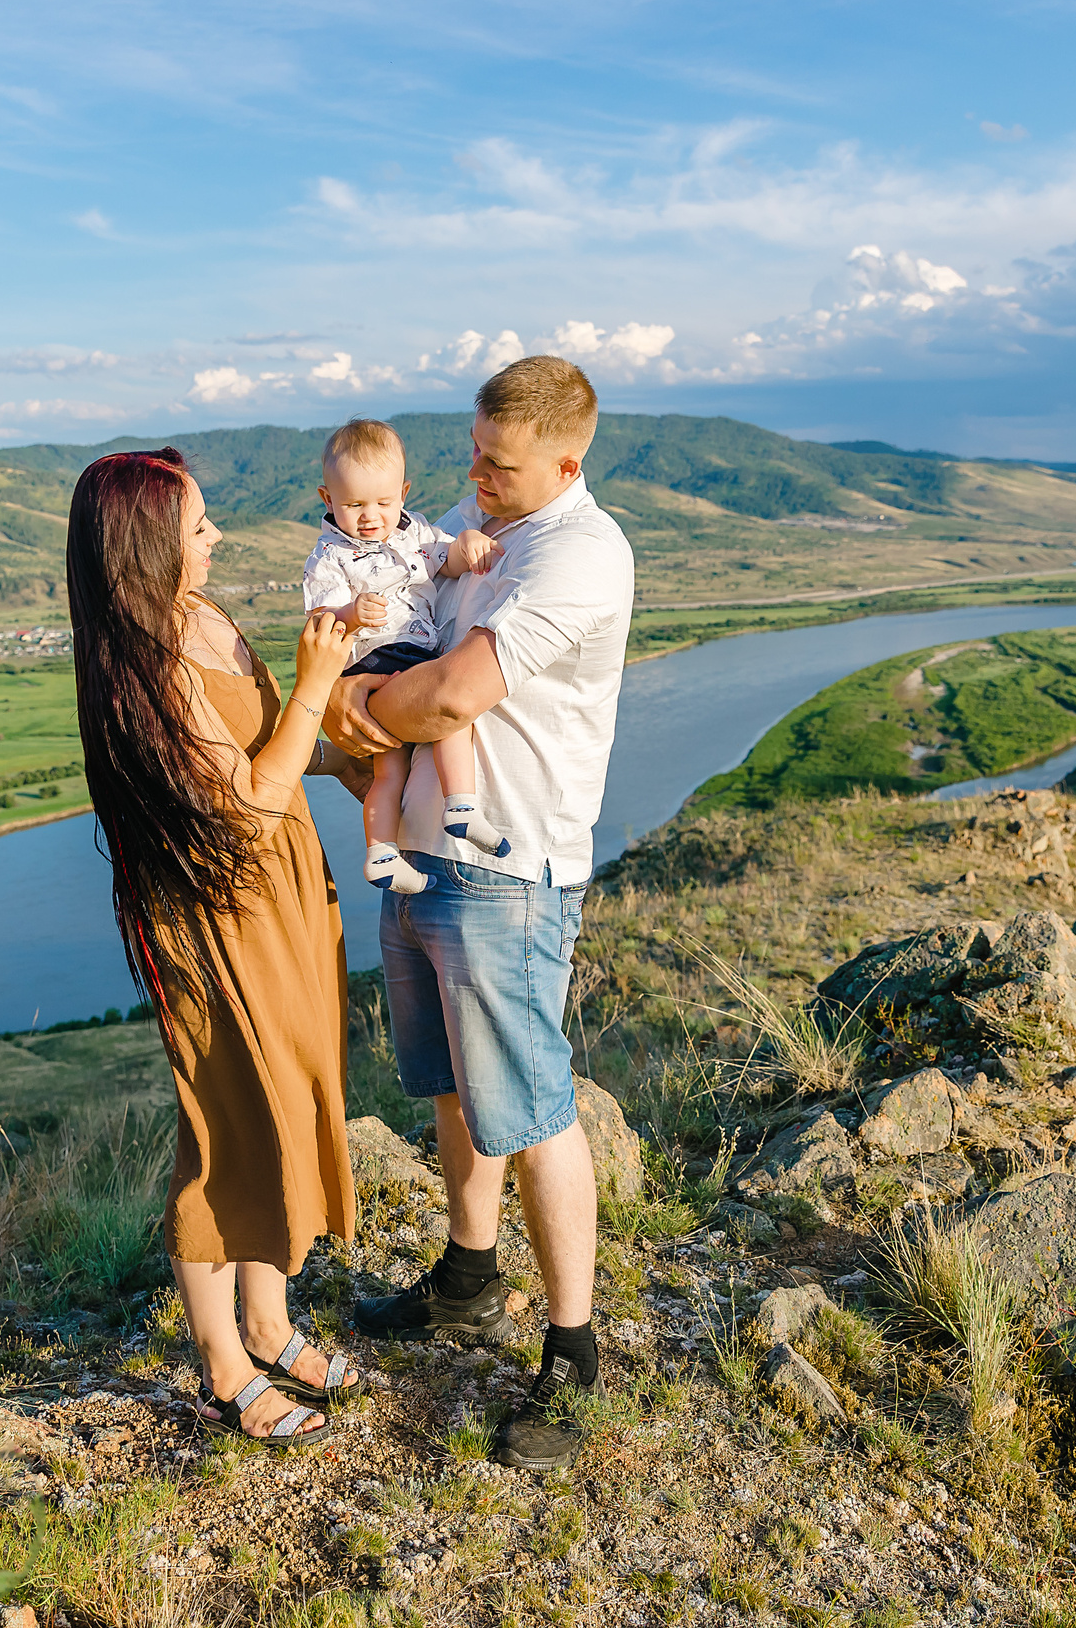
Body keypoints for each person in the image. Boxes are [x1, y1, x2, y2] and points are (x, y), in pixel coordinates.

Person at [326, 356, 635, 1473]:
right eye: (471, 455)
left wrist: (358, 703)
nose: (475, 481)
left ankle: (574, 1350)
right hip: (420, 846)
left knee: (534, 1099)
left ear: (568, 460)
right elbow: (386, 634)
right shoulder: (470, 516)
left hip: (509, 866)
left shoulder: (580, 554)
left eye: (499, 466)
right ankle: (466, 1276)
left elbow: (450, 691)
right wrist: (368, 698)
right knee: (454, 1081)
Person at [66, 447, 374, 1448]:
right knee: (224, 1126)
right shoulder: (145, 664)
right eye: (199, 527)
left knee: (283, 1101)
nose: (216, 537)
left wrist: (363, 751)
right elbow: (242, 806)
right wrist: (321, 679)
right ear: (147, 545)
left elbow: (274, 749)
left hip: (280, 894)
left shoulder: (208, 620)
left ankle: (271, 1320)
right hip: (213, 919)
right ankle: (222, 1367)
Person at [298, 417, 509, 895]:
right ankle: (461, 803)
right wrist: (350, 612)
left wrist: (467, 545)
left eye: (383, 502)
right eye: (354, 504)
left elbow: (446, 562)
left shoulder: (416, 533)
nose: (371, 515)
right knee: (452, 717)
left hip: (402, 655)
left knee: (388, 769)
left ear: (404, 492)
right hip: (381, 657)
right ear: (327, 500)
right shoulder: (329, 557)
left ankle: (382, 854)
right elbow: (320, 621)